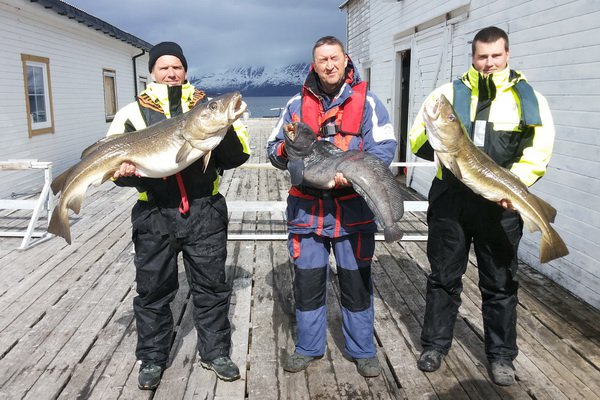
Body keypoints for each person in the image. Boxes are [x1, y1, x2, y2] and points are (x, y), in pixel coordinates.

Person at [408, 26, 556, 386]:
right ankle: (435, 345)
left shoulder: (528, 98)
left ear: (507, 55)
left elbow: (538, 150)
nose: (488, 63)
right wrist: (436, 132)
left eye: (495, 56)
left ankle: (502, 356)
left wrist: (515, 184)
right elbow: (416, 141)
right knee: (443, 278)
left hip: (500, 204)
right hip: (451, 203)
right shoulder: (446, 94)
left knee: (501, 283)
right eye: (482, 56)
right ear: (472, 57)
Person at [107, 41, 250, 390]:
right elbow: (115, 172)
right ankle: (153, 358)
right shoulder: (131, 113)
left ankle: (215, 352)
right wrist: (126, 173)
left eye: (177, 67)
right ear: (152, 72)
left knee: (212, 286)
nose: (171, 72)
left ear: (185, 70)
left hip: (205, 211)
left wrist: (224, 126)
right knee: (153, 290)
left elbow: (238, 155)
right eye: (164, 67)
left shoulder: (206, 107)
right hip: (154, 214)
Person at [266, 36, 397, 377]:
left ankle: (363, 350)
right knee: (308, 283)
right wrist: (287, 151)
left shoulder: (367, 102)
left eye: (334, 58)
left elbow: (384, 148)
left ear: (344, 59)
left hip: (352, 213)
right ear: (315, 63)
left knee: (356, 282)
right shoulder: (296, 104)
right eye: (322, 59)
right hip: (307, 215)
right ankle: (309, 347)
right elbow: (273, 148)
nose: (329, 65)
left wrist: (352, 174)